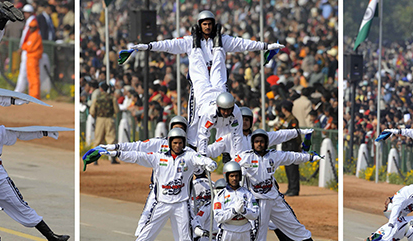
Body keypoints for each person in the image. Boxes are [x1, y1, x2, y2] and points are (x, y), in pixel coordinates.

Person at [128, 11, 282, 137]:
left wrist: (266, 46)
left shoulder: (223, 40)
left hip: (219, 82)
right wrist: (148, 46)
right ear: (199, 25)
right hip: (199, 87)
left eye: (210, 24)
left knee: (227, 114)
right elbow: (169, 44)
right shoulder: (189, 41)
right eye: (205, 24)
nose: (208, 27)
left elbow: (243, 44)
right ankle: (195, 150)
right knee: (195, 119)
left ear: (214, 25)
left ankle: (227, 148)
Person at [107, 128, 217, 241]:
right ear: (169, 143)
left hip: (181, 204)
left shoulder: (189, 156)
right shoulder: (158, 157)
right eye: (175, 143)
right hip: (162, 203)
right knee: (148, 230)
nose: (178, 145)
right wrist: (116, 153)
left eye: (180, 143)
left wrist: (210, 163)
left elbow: (200, 158)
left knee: (185, 237)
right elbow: (138, 156)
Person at [234, 129, 332, 241]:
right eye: (256, 141)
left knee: (292, 222)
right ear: (252, 143)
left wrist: (311, 157)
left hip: (274, 198)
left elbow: (292, 157)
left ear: (266, 143)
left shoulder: (273, 156)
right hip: (257, 202)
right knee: (258, 235)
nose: (259, 144)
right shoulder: (245, 157)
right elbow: (232, 168)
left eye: (262, 141)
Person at [0, 106, 69, 241]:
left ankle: (51, 236)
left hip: (0, 179)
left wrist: (45, 132)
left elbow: (21, 133)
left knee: (22, 207)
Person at [90, 82, 120, 163]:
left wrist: (94, 116)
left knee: (98, 139)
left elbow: (92, 111)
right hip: (109, 119)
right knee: (111, 139)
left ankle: (95, 159)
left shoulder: (97, 98)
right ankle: (113, 158)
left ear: (101, 89)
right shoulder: (112, 98)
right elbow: (117, 110)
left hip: (100, 119)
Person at [277, 100, 302, 196]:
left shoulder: (292, 120)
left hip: (292, 146)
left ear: (284, 109)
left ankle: (294, 189)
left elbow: (296, 134)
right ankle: (290, 188)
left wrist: (298, 145)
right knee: (288, 168)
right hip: (286, 145)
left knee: (292, 169)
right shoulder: (286, 120)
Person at [14, 4, 37, 95]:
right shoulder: (29, 21)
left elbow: (27, 37)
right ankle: (21, 90)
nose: (25, 14)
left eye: (26, 13)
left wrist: (22, 47)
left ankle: (19, 90)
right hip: (26, 49)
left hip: (28, 50)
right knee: (24, 71)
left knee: (24, 70)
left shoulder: (32, 22)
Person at [20, 18, 44, 100]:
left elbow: (28, 47)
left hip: (33, 58)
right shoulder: (32, 35)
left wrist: (25, 46)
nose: (30, 29)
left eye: (31, 27)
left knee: (34, 77)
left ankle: (35, 95)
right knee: (30, 77)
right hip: (30, 58)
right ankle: (32, 94)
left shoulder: (35, 35)